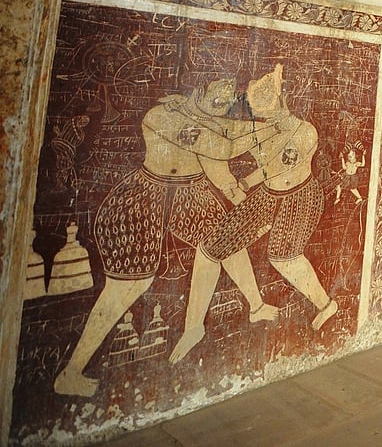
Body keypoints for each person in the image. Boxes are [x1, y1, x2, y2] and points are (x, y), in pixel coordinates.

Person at [54, 79, 280, 397]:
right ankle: (71, 372)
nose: (222, 108)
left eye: (227, 103)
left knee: (224, 241)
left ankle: (237, 312)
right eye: (217, 100)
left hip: (192, 192)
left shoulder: (208, 120)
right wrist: (272, 129)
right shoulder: (162, 116)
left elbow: (226, 149)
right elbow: (223, 146)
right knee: (130, 283)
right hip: (146, 194)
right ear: (197, 91)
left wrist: (243, 196)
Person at [171, 64, 336, 363]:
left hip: (301, 196)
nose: (263, 114)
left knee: (283, 256)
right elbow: (256, 160)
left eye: (269, 106)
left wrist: (265, 132)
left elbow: (284, 163)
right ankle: (193, 328)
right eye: (259, 109)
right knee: (211, 247)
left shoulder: (305, 132)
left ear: (284, 101)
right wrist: (246, 179)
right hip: (269, 195)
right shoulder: (261, 129)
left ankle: (325, 305)